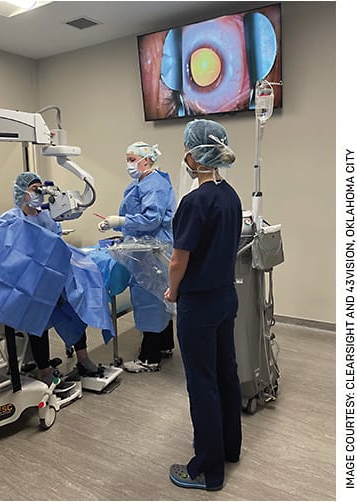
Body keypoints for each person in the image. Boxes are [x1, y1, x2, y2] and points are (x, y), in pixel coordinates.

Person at [164, 119, 242, 491]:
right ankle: (230, 447)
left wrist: (172, 291)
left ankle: (208, 470)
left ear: (195, 155)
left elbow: (179, 261)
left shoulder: (195, 202)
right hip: (226, 298)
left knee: (202, 383)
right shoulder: (231, 196)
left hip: (199, 304)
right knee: (226, 372)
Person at [0, 172, 101, 388]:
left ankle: (83, 358)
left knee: (74, 310)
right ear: (22, 192)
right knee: (38, 320)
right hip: (29, 279)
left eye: (41, 188)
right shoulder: (11, 218)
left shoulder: (48, 215)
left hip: (54, 274)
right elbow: (0, 247)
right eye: (35, 189)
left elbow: (57, 241)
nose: (39, 193)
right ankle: (44, 370)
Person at [98, 142, 176, 372]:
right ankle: (163, 346)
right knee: (160, 298)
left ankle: (149, 357)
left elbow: (151, 219)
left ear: (147, 160)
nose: (129, 164)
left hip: (150, 251)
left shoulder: (154, 184)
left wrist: (120, 221)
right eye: (128, 159)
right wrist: (118, 225)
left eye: (132, 159)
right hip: (145, 247)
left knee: (149, 300)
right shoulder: (141, 183)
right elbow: (135, 215)